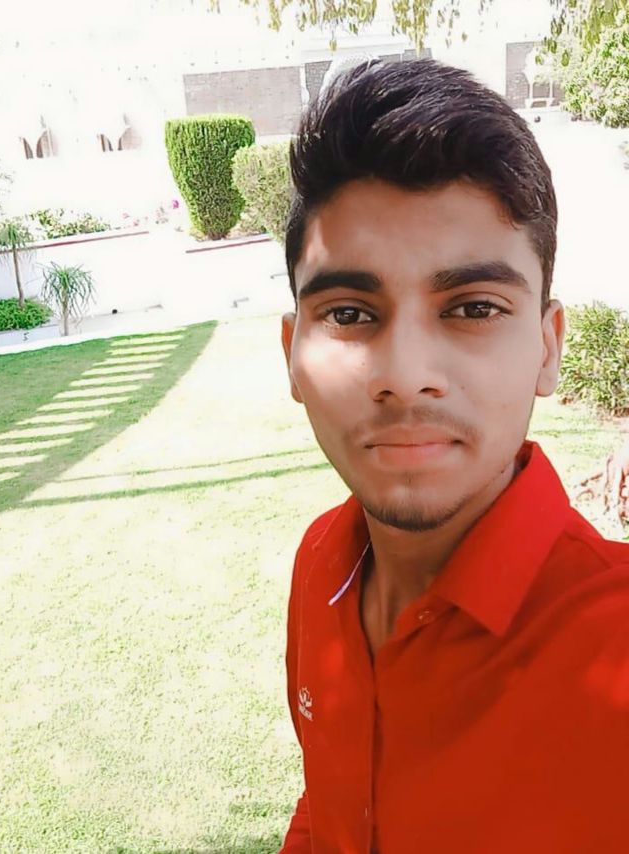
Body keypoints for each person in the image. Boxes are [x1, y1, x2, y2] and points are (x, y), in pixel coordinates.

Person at [278, 58, 629, 854]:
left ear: (547, 348)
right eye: (350, 313)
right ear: (292, 353)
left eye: (473, 307)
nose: (405, 376)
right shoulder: (321, 564)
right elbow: (329, 804)